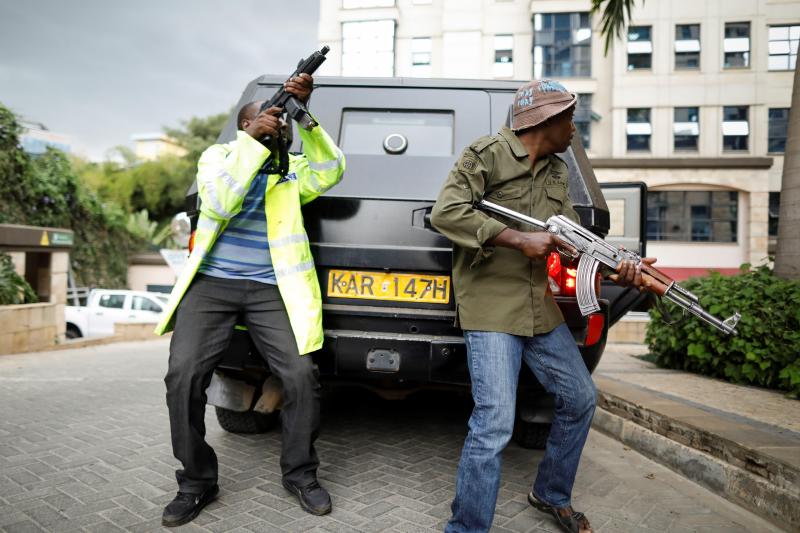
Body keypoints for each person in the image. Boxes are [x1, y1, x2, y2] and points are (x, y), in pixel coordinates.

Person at [430, 79, 654, 533]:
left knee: (580, 398)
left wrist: (618, 267)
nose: (575, 128)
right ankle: (466, 527)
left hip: (538, 307)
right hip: (492, 308)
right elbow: (447, 212)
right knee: (494, 423)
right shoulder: (486, 153)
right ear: (545, 120)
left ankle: (550, 493)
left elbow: (574, 242)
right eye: (570, 118)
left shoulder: (556, 170)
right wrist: (516, 237)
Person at [153, 73, 345, 527]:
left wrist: (305, 117)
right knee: (182, 377)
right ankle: (196, 482)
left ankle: (300, 473)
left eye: (279, 125)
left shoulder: (290, 170)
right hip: (212, 285)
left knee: (300, 376)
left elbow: (332, 170)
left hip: (269, 288)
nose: (275, 130)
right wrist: (250, 145)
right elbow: (218, 202)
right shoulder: (218, 157)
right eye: (264, 123)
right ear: (245, 127)